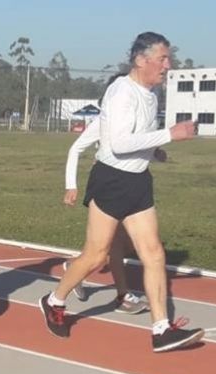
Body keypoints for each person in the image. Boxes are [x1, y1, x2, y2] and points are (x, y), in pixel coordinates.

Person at [39, 32, 204, 353]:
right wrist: (169, 134)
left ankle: (161, 330)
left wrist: (155, 150)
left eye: (169, 59)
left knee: (154, 253)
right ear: (142, 60)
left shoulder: (151, 95)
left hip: (139, 182)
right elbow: (118, 143)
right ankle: (54, 300)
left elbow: (138, 137)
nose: (168, 66)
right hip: (112, 180)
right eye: (163, 59)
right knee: (96, 255)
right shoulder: (121, 92)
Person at [62, 74, 150, 314]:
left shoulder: (135, 117)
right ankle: (122, 296)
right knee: (111, 248)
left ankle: (74, 266)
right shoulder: (103, 122)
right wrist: (71, 185)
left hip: (130, 186)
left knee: (117, 246)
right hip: (107, 186)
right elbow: (76, 148)